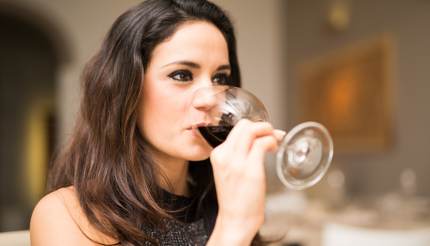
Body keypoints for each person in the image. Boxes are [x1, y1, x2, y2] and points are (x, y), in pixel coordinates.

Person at [30, 0, 282, 245]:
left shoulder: (224, 202)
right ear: (127, 88)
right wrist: (233, 229)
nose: (209, 98)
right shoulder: (68, 216)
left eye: (220, 78)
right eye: (182, 75)